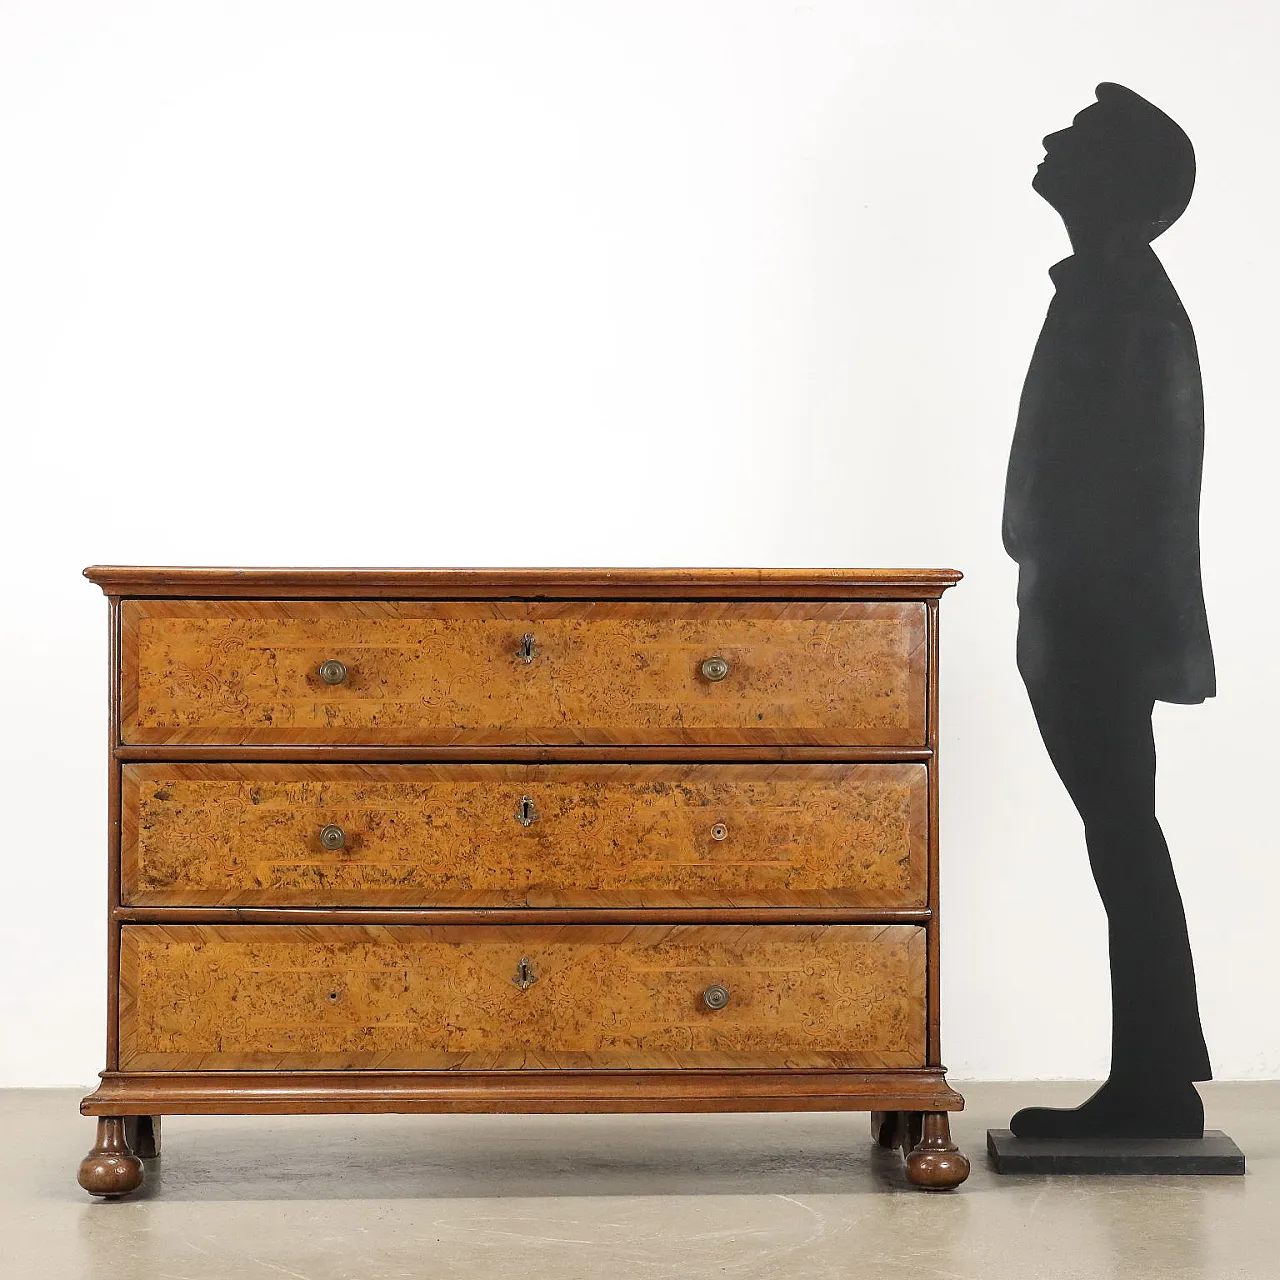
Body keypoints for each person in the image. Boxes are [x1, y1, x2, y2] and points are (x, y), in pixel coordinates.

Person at [1002, 82, 1214, 1139]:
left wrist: (1084, 606)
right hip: (1081, 609)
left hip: (1096, 617)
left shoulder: (1123, 300)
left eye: (1079, 135)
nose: (1052, 138)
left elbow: (1144, 480)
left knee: (1122, 835)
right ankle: (1156, 1074)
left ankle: (1155, 1081)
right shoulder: (1107, 290)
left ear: (1116, 179)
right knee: (1121, 835)